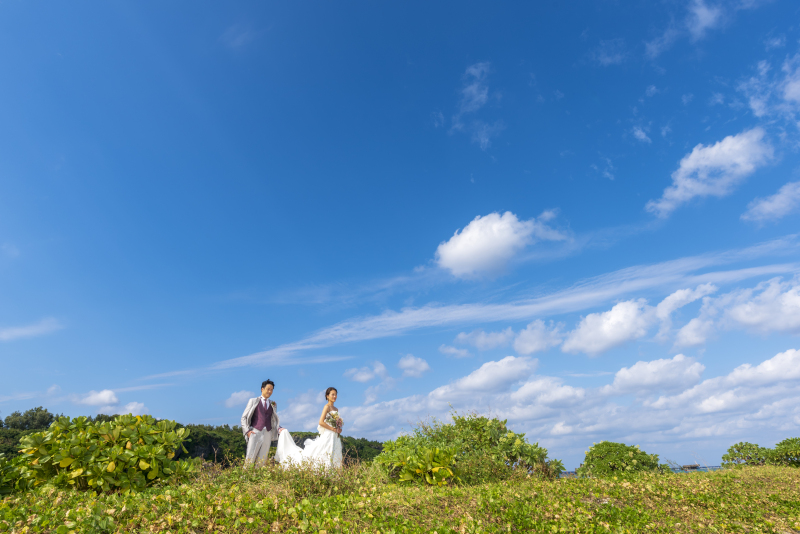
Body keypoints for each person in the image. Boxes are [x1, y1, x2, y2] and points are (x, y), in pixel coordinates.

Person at [274, 386, 343, 469]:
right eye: (332, 394)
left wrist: (338, 428)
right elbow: (321, 422)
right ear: (327, 396)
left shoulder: (336, 409)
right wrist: (333, 429)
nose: (335, 396)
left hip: (335, 435)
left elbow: (335, 422)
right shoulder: (326, 407)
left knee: (335, 452)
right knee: (324, 452)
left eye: (335, 395)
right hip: (328, 434)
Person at [240, 379, 284, 466]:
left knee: (262, 460)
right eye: (268, 389)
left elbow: (273, 420)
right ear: (262, 389)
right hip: (255, 432)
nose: (270, 391)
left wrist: (279, 428)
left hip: (268, 433)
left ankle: (258, 479)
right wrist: (247, 431)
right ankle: (244, 479)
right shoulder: (253, 401)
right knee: (250, 459)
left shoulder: (273, 404)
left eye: (271, 390)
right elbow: (243, 418)